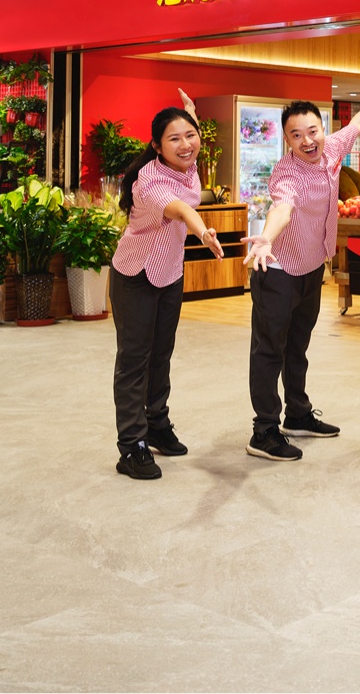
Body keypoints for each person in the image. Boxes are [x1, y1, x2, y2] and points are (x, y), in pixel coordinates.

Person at [242, 80, 360, 462]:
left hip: (312, 270)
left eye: (312, 131)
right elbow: (282, 207)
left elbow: (359, 125)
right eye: (296, 135)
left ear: (322, 129)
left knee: (298, 347)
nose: (307, 140)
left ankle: (297, 413)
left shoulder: (331, 151)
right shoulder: (286, 175)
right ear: (286, 140)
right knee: (269, 352)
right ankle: (264, 430)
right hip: (278, 271)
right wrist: (265, 238)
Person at [108, 106, 224, 480]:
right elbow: (179, 209)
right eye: (174, 139)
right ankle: (131, 446)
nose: (186, 144)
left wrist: (190, 114)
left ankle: (157, 423)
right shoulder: (149, 181)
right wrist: (203, 231)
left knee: (161, 354)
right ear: (157, 147)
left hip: (169, 273)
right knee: (134, 360)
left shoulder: (187, 166)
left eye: (191, 136)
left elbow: (187, 169)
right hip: (135, 276)